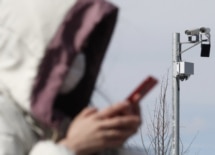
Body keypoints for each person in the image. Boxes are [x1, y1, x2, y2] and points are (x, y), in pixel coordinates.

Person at [0, 0, 141, 154]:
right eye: (70, 48)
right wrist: (70, 147)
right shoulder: (5, 120)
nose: (80, 58)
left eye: (84, 48)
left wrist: (110, 142)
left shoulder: (58, 122)